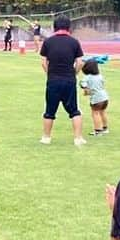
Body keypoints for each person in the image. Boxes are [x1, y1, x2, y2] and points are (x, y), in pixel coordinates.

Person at [39, 14, 86, 146]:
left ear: (55, 27)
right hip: (69, 79)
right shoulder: (74, 42)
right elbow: (80, 62)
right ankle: (77, 138)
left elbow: (43, 62)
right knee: (74, 110)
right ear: (68, 27)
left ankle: (46, 137)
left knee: (49, 110)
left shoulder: (48, 42)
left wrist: (50, 73)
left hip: (53, 79)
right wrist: (74, 73)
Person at [80, 58, 110, 136]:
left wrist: (86, 90)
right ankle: (105, 128)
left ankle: (98, 130)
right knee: (103, 112)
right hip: (104, 96)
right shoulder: (99, 75)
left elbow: (83, 84)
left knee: (95, 113)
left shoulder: (88, 77)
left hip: (96, 98)